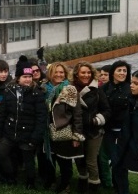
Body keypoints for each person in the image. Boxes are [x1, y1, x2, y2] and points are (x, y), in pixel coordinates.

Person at [0, 58, 47, 189]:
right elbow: (3, 113)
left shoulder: (37, 94)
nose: (28, 79)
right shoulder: (9, 91)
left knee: (28, 159)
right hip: (10, 132)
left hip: (28, 134)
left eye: (29, 77)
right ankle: (11, 176)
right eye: (24, 77)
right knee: (1, 152)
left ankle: (30, 182)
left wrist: (35, 137)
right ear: (18, 78)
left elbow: (41, 117)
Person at [40, 62, 85, 193]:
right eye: (56, 72)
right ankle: (51, 180)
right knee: (50, 158)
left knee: (64, 161)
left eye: (62, 72)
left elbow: (77, 113)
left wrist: (77, 135)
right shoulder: (43, 88)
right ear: (50, 73)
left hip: (64, 130)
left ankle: (65, 185)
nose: (59, 75)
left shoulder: (69, 89)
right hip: (47, 130)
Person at [72, 61, 111, 192]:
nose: (86, 75)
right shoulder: (70, 89)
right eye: (83, 72)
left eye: (88, 72)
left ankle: (94, 186)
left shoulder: (97, 90)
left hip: (94, 131)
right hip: (77, 131)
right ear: (77, 74)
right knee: (79, 159)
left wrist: (95, 120)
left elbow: (106, 110)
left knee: (91, 161)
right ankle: (83, 182)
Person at [116, 69, 138, 193]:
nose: (131, 85)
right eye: (131, 82)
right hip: (129, 145)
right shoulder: (132, 100)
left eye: (136, 83)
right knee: (118, 168)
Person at [100, 60, 131, 192]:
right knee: (114, 160)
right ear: (113, 72)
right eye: (119, 70)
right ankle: (117, 186)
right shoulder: (104, 88)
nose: (122, 73)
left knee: (120, 162)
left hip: (124, 131)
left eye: (125, 71)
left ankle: (122, 189)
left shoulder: (130, 88)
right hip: (108, 131)